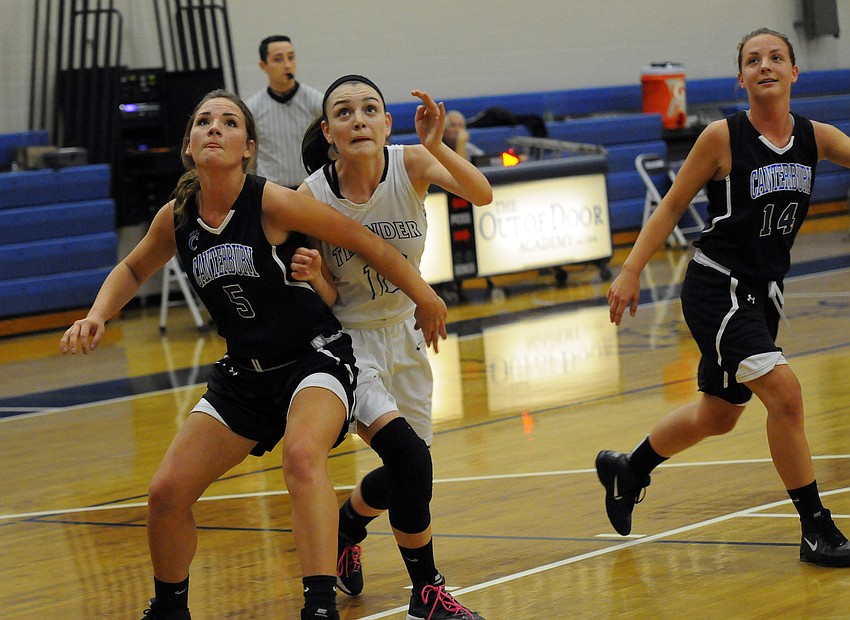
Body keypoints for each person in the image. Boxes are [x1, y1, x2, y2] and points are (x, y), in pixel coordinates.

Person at [59, 89, 448, 620]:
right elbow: (132, 269)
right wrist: (98, 315)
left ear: (248, 148)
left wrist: (424, 295)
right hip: (245, 374)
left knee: (302, 458)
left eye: (228, 121)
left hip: (314, 359)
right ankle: (169, 609)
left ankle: (319, 607)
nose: (214, 128)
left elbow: (365, 242)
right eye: (203, 121)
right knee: (166, 492)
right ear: (189, 145)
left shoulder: (272, 202)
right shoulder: (177, 217)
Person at [597, 28, 850, 567]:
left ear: (794, 72)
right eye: (753, 60)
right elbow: (670, 206)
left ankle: (629, 470)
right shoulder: (722, 137)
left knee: (719, 414)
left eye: (776, 57)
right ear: (741, 78)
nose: (765, 66)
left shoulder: (817, 136)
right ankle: (815, 529)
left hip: (764, 291)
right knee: (785, 394)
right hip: (718, 287)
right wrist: (631, 270)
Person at [295, 75, 492, 619]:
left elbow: (481, 194)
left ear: (386, 124)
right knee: (408, 459)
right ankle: (426, 592)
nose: (358, 119)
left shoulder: (412, 163)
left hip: (406, 331)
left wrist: (437, 145)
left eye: (369, 110)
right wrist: (314, 276)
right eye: (344, 112)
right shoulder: (310, 196)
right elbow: (329, 296)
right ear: (328, 132)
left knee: (414, 467)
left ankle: (349, 524)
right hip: (349, 342)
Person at [245, 35, 323, 189]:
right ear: (263, 66)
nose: (287, 65)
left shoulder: (317, 102)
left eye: (291, 58)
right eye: (278, 59)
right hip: (272, 192)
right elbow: (249, 156)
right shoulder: (252, 109)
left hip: (312, 188)